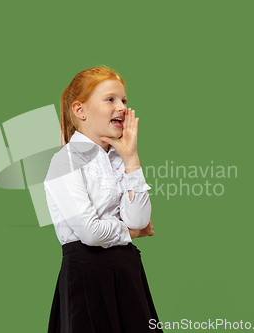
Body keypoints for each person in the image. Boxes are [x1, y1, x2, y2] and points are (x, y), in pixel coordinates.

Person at [44, 66, 163, 333]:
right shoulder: (66, 162)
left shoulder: (120, 159)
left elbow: (140, 218)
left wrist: (132, 158)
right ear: (80, 111)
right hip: (88, 276)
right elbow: (91, 234)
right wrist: (132, 232)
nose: (121, 107)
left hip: (126, 271)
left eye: (124, 100)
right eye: (110, 99)